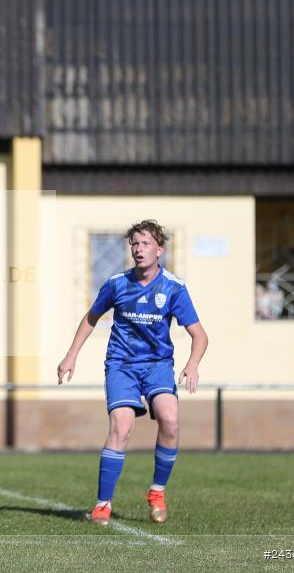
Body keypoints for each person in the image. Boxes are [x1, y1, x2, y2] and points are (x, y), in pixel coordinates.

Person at [57, 220, 209, 526]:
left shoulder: (173, 288)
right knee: (122, 427)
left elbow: (200, 335)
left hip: (157, 366)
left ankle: (157, 492)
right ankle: (102, 505)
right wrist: (71, 355)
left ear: (160, 250)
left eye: (145, 244)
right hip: (121, 365)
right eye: (135, 244)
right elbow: (91, 318)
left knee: (170, 418)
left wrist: (192, 364)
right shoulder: (116, 284)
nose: (139, 249)